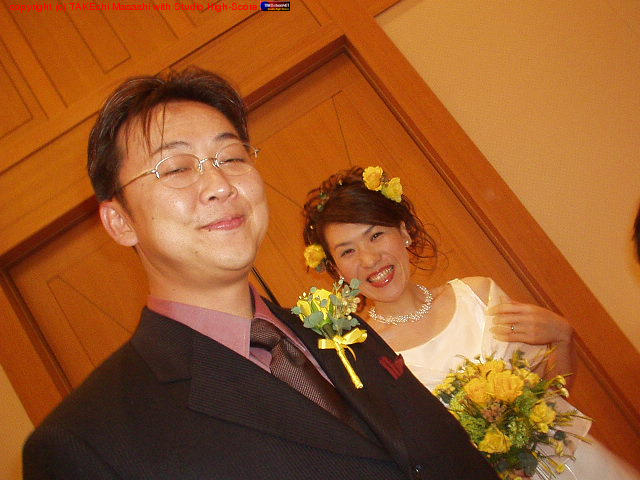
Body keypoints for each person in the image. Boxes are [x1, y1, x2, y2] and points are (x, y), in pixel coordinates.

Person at [22, 68, 500, 480]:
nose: (219, 185)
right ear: (119, 221)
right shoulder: (88, 442)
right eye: (176, 168)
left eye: (231, 158)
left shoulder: (338, 330)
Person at [301, 165, 640, 479]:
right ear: (336, 269)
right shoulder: (360, 355)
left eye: (375, 235)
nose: (369, 259)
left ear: (403, 231)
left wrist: (564, 339)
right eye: (347, 251)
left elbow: (552, 395)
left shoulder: (477, 296)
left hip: (574, 466)